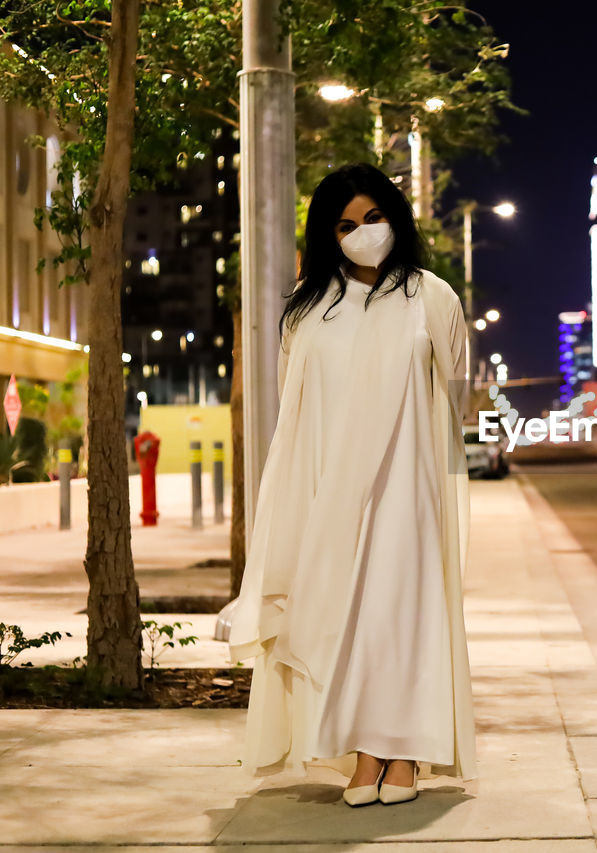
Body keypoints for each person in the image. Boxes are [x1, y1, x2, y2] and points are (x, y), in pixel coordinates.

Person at [227, 163, 476, 807]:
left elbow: (458, 399)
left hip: (407, 488)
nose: (362, 233)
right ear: (326, 235)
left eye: (372, 218)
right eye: (345, 225)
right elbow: (294, 411)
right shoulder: (308, 312)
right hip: (329, 492)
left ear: (395, 217)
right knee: (345, 620)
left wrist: (447, 496)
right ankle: (363, 753)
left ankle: (401, 754)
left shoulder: (433, 297)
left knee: (398, 618)